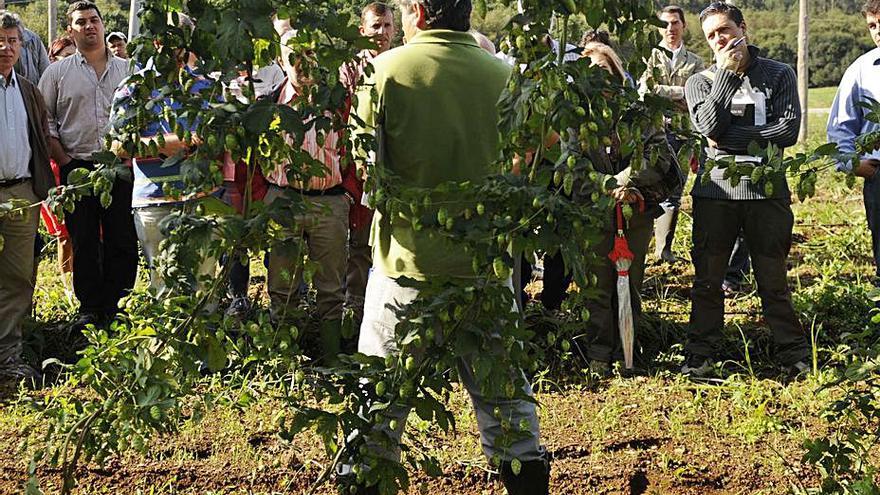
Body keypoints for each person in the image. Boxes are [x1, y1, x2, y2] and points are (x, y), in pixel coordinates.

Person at [349, 0, 549, 493]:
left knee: (378, 403)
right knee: (507, 407)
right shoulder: (506, 76)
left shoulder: (384, 72)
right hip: (486, 267)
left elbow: (367, 178)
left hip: (405, 264)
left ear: (417, 10)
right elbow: (528, 164)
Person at [682, 1, 809, 376]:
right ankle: (700, 353)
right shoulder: (700, 81)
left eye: (724, 30)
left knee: (773, 279)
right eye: (711, 36)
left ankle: (793, 351)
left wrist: (729, 137)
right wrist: (725, 75)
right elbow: (707, 125)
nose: (719, 39)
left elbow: (786, 132)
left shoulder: (779, 74)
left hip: (766, 192)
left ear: (742, 27)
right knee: (708, 279)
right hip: (715, 195)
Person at [110, 14, 227, 293]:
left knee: (203, 286)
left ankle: (205, 336)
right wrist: (169, 144)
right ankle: (170, 338)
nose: (172, 47)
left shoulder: (206, 87)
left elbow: (221, 138)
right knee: (164, 286)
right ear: (155, 40)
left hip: (201, 199)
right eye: (167, 38)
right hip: (154, 201)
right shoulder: (135, 88)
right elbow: (116, 145)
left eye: (180, 39)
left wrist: (203, 141)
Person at [38, 1, 137, 329]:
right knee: (83, 239)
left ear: (103, 24)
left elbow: (141, 116)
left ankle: (116, 304)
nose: (90, 26)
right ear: (71, 30)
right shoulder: (56, 73)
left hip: (118, 167)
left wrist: (128, 152)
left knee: (121, 237)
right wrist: (64, 161)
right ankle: (91, 307)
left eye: (94, 20)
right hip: (76, 167)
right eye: (81, 22)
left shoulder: (128, 70)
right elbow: (45, 122)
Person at [580, 41, 677, 374]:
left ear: (617, 72)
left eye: (604, 71)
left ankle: (628, 350)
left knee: (631, 283)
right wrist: (606, 186)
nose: (599, 80)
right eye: (591, 74)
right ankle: (598, 353)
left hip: (635, 211)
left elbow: (659, 154)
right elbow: (569, 165)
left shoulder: (640, 113)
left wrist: (628, 182)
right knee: (597, 288)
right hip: (593, 212)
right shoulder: (576, 117)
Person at [266, 30, 350, 363]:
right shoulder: (270, 104)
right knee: (282, 285)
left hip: (328, 202)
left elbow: (353, 150)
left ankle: (331, 356)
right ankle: (286, 359)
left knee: (331, 286)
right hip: (284, 202)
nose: (302, 63)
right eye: (293, 56)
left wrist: (348, 198)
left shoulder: (337, 102)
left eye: (309, 54)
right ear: (280, 59)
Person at [0, 10, 53, 383]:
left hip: (21, 191)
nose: (5, 48)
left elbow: (41, 142)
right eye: (0, 41)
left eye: (12, 41)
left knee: (18, 276)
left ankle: (8, 356)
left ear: (22, 45)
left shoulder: (29, 90)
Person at [340, 2, 397, 337]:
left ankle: (388, 315)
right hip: (358, 169)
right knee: (359, 245)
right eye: (376, 26)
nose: (383, 33)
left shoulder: (399, 64)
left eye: (388, 26)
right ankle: (354, 313)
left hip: (394, 167)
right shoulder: (350, 70)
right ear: (362, 29)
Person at [639, 5, 704, 264]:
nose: (670, 28)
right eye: (665, 24)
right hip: (653, 132)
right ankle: (642, 246)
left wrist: (664, 92)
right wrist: (680, 93)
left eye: (675, 23)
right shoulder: (649, 57)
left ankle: (664, 250)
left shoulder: (695, 61)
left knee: (675, 190)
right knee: (647, 185)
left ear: (683, 26)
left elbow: (698, 94)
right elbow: (645, 91)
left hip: (683, 133)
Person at [827, 0, 880, 286]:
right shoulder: (862, 69)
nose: (877, 31)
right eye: (872, 25)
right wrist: (853, 165)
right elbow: (840, 126)